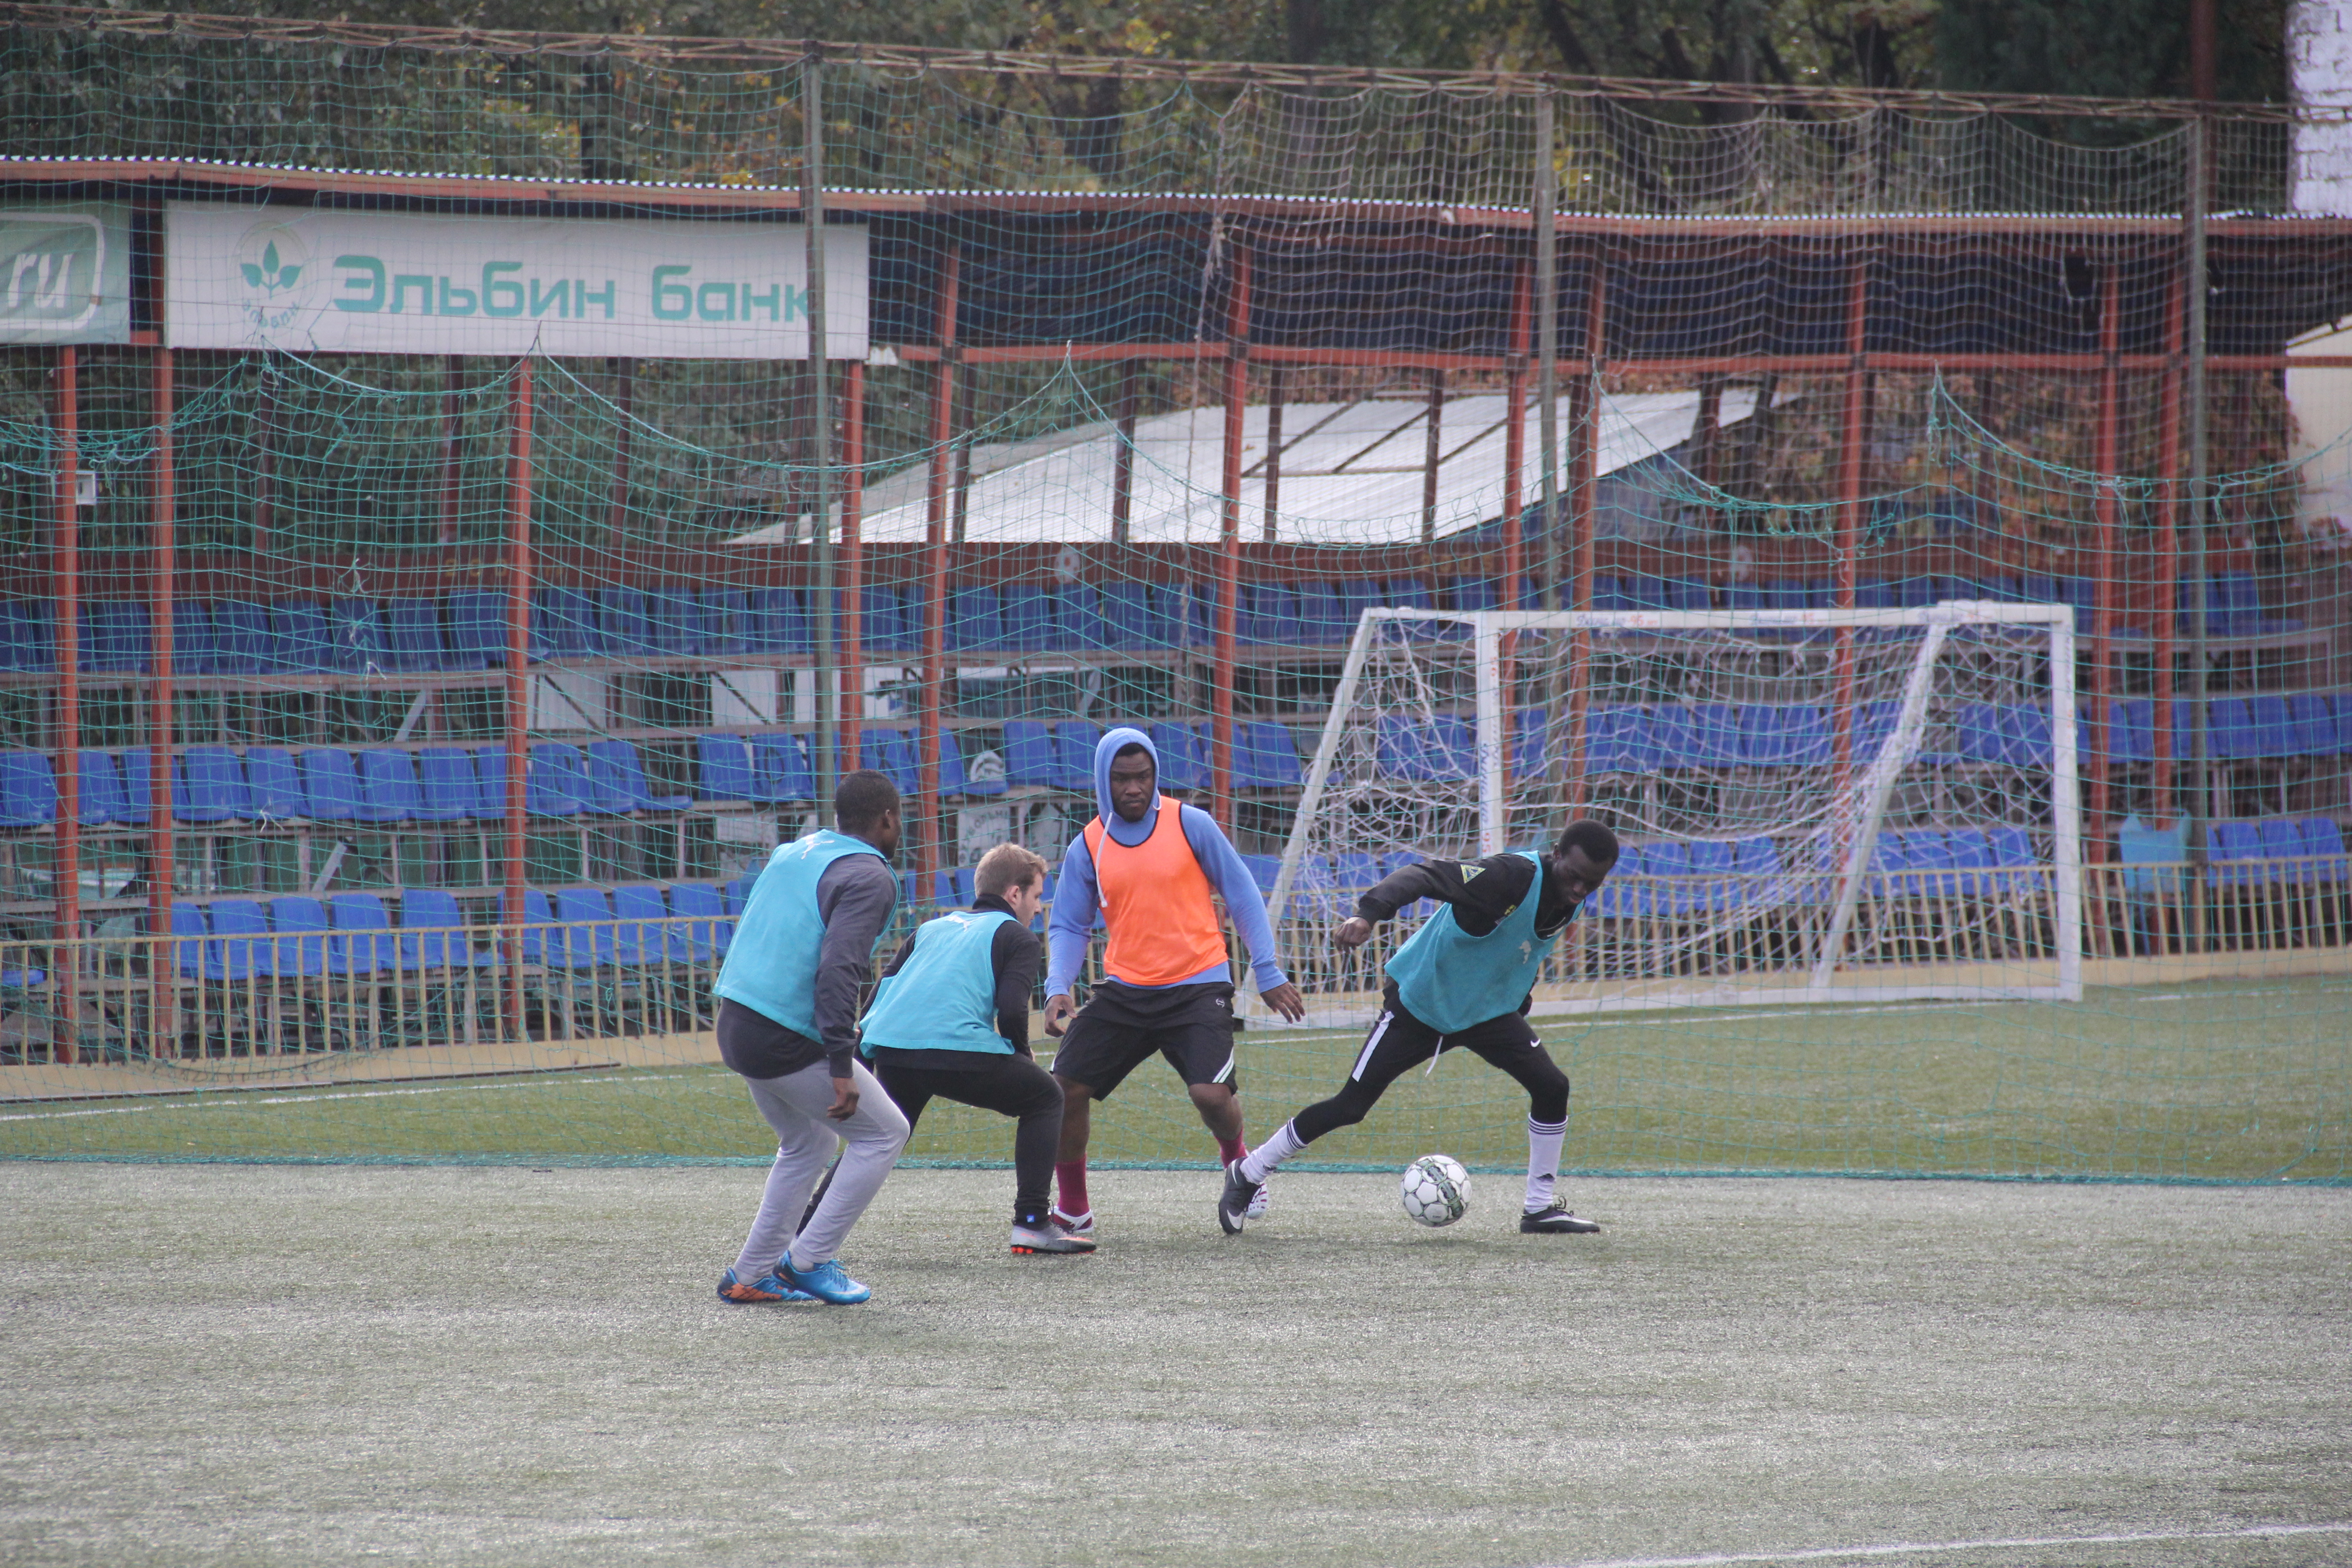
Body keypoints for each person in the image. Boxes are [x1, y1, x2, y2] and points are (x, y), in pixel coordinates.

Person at [1217, 819, 1622, 1237]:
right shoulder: (1509, 877)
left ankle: (1538, 1209)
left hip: (1487, 1013)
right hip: (1420, 1004)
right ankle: (1247, 1173)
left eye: (1591, 883)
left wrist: (1519, 998)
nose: (1579, 889)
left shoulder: (1571, 897)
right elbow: (1423, 875)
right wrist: (1368, 914)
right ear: (1556, 853)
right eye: (1574, 877)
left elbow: (1522, 949)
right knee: (1351, 1106)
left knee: (1552, 1087)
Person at [1042, 727, 1307, 1241]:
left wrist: (1267, 969)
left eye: (1143, 777)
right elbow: (1069, 925)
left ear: (1155, 775)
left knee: (1210, 1096)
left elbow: (1242, 893)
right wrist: (1058, 987)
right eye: (1122, 779)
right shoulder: (1089, 845)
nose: (1134, 788)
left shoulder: (1192, 823)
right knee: (1064, 1088)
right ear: (1104, 781)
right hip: (1125, 991)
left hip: (1197, 984)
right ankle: (1074, 1209)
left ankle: (1242, 1169)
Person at [711, 769, 911, 1307]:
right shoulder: (873, 876)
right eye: (900, 818)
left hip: (735, 1021)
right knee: (885, 1133)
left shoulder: (794, 852)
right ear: (889, 818)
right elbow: (840, 970)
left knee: (809, 1142)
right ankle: (809, 1260)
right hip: (782, 1035)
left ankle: (750, 1275)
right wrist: (842, 1067)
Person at [859, 843, 1093, 1255]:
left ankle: (807, 1225)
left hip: (894, 1052)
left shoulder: (931, 928)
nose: (1039, 908)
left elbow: (880, 993)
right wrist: (1021, 1053)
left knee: (878, 1142)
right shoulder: (1018, 938)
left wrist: (857, 1061)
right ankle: (1033, 1223)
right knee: (1045, 1096)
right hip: (957, 1051)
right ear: (1014, 894)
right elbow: (1011, 1007)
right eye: (1037, 896)